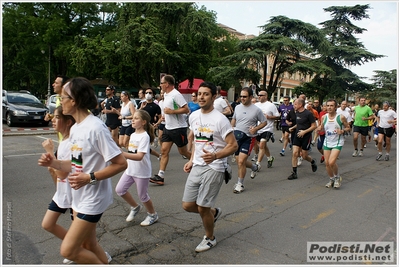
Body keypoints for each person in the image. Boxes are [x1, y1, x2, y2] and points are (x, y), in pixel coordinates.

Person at [38, 77, 127, 264]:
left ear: (75, 100)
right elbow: (74, 164)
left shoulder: (96, 128)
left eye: (63, 97)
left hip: (93, 199)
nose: (60, 101)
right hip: (78, 197)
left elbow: (120, 163)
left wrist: (90, 177)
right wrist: (53, 163)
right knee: (90, 244)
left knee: (68, 250)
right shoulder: (76, 128)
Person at [182, 81, 238, 252]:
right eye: (199, 94)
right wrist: (192, 159)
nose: (201, 97)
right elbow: (199, 143)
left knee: (202, 207)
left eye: (206, 94)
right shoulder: (193, 116)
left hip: (215, 166)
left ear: (214, 97)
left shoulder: (220, 119)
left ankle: (210, 238)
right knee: (187, 205)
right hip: (198, 165)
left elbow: (233, 145)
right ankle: (213, 212)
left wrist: (215, 156)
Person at [41, 106, 75, 264]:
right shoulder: (63, 141)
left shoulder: (70, 144)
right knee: (48, 224)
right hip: (63, 192)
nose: (52, 120)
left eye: (56, 117)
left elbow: (61, 173)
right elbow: (57, 176)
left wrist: (49, 152)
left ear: (68, 122)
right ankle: (74, 246)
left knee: (87, 238)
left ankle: (100, 257)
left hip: (76, 193)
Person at [115, 110, 159, 226]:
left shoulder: (145, 137)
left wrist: (122, 154)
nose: (132, 120)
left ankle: (152, 214)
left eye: (136, 118)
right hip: (130, 170)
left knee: (143, 196)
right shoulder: (133, 135)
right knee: (120, 190)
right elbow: (132, 152)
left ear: (143, 122)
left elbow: (139, 156)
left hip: (141, 171)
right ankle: (135, 207)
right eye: (132, 118)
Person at [150, 74, 191, 185]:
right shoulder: (167, 95)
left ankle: (198, 164)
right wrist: (165, 116)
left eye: (162, 83)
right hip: (168, 127)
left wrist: (171, 112)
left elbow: (186, 109)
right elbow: (168, 110)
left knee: (183, 151)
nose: (160, 85)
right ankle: (160, 176)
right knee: (164, 151)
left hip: (178, 128)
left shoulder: (176, 94)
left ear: (167, 84)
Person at [231, 87, 267, 193]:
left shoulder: (256, 110)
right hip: (237, 137)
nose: (242, 98)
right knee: (239, 162)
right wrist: (230, 128)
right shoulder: (237, 108)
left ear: (251, 97)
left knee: (241, 161)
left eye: (244, 96)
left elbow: (264, 122)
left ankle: (240, 184)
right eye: (241, 96)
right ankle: (254, 167)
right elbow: (234, 119)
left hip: (249, 138)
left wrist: (256, 129)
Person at [317, 99, 350, 189]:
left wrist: (342, 130)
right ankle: (331, 179)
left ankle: (337, 177)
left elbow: (348, 128)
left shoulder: (341, 117)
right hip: (327, 141)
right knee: (327, 163)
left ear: (335, 107)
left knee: (332, 162)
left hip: (338, 142)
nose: (329, 107)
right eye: (328, 106)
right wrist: (319, 128)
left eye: (331, 106)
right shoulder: (324, 117)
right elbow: (322, 127)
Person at [287, 98, 318, 180]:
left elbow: (314, 126)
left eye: (295, 104)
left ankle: (312, 161)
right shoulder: (296, 113)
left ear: (300, 105)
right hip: (297, 135)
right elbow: (299, 124)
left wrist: (304, 132)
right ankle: (294, 173)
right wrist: (292, 128)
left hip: (306, 137)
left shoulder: (308, 114)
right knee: (295, 153)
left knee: (304, 156)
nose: (294, 106)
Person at [254, 90, 280, 168]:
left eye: (261, 95)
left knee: (262, 145)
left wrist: (269, 117)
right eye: (258, 95)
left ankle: (258, 164)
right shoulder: (256, 105)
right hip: (258, 128)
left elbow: (278, 116)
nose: (259, 96)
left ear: (265, 96)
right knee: (263, 146)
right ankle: (270, 158)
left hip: (267, 128)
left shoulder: (271, 105)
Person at [44, 75, 69, 141]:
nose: (53, 85)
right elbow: (64, 116)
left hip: (68, 140)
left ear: (63, 86)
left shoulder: (69, 101)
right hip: (62, 140)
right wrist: (52, 116)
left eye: (56, 83)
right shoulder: (58, 99)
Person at [138, 87, 162, 156]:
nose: (148, 94)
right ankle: (157, 155)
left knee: (145, 143)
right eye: (146, 93)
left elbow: (160, 118)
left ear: (153, 95)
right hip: (140, 126)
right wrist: (141, 108)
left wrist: (157, 124)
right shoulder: (142, 104)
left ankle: (143, 156)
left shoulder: (156, 106)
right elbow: (135, 114)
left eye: (150, 93)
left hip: (150, 126)